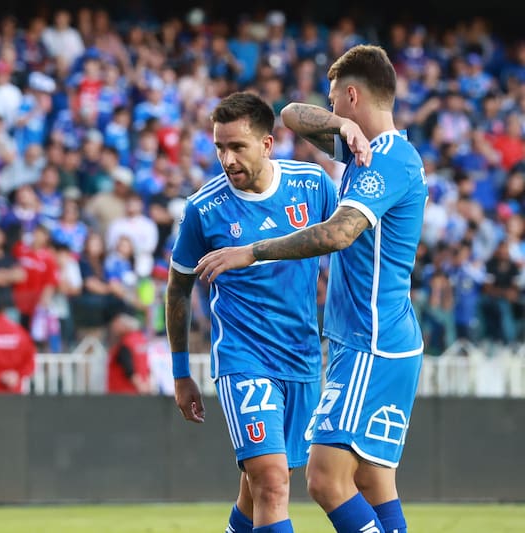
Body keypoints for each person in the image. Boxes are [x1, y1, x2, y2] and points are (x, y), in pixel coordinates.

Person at [195, 45, 427, 533]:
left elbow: (338, 233)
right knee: (372, 480)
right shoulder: (368, 149)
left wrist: (252, 251)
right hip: (372, 337)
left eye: (335, 101)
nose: (330, 109)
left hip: (371, 340)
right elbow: (289, 114)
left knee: (324, 479)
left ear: (351, 93)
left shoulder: (386, 159)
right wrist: (342, 126)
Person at [167, 91, 337, 533]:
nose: (226, 159)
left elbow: (346, 240)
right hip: (244, 358)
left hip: (301, 358)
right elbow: (178, 289)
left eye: (236, 146)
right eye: (219, 147)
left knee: (258, 485)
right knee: (272, 482)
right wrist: (181, 371)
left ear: (267, 143)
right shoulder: (204, 209)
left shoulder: (313, 185)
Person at [0, 293, 36, 393]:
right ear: (4, 309)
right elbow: (30, 362)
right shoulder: (19, 331)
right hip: (14, 395)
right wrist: (16, 374)